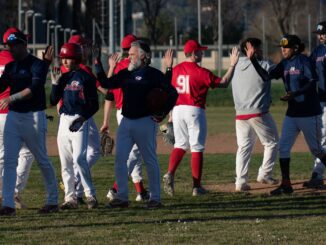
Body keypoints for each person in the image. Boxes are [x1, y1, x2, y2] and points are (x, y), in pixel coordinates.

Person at [95, 40, 178, 208]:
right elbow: (106, 83)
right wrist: (97, 62)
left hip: (145, 122)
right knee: (120, 159)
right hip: (126, 122)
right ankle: (122, 197)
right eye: (128, 54)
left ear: (143, 56)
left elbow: (172, 93)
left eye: (132, 54)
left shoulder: (153, 74)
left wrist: (163, 112)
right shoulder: (126, 73)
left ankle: (155, 198)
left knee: (149, 160)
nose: (128, 56)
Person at [246, 34, 326, 195]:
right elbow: (266, 76)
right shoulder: (284, 63)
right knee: (283, 148)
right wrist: (253, 60)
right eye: (282, 47)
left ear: (295, 48)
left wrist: (294, 94)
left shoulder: (304, 61)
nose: (283, 50)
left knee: (316, 150)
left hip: (309, 113)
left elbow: (312, 82)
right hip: (292, 114)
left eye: (286, 47)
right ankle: (286, 184)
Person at [163, 39, 239, 197]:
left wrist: (170, 116)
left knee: (180, 145)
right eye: (199, 51)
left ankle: (170, 172)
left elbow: (167, 90)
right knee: (196, 147)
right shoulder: (201, 72)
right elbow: (224, 83)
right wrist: (232, 65)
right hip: (194, 110)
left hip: (177, 110)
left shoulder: (175, 70)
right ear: (192, 54)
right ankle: (196, 187)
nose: (202, 53)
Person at [0, 28, 58, 215]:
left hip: (33, 116)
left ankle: (52, 200)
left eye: (14, 45)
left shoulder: (37, 65)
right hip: (14, 117)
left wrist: (11, 98)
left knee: (42, 159)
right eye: (8, 46)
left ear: (23, 44)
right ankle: (8, 204)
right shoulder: (11, 67)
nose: (11, 49)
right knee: (9, 161)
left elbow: (33, 88)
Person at [101, 34, 149, 202]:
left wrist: (106, 121)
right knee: (134, 155)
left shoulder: (118, 67)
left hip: (120, 112)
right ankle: (115, 189)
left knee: (134, 155)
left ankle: (141, 192)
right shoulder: (134, 67)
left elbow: (108, 95)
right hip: (133, 113)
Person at [50, 43, 99, 210]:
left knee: (79, 159)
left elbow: (94, 105)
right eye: (63, 58)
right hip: (64, 119)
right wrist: (55, 84)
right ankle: (70, 198)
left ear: (77, 59)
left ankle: (90, 194)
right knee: (65, 162)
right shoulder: (63, 77)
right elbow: (52, 101)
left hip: (79, 119)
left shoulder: (86, 77)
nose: (64, 61)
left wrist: (83, 118)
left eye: (68, 58)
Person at [230, 38, 279, 192]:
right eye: (258, 48)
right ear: (250, 49)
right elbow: (275, 72)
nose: (261, 51)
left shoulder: (236, 64)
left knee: (243, 147)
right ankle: (264, 174)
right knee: (272, 142)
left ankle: (240, 183)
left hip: (240, 114)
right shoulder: (264, 64)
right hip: (258, 112)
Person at [62, 35, 105, 204]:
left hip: (68, 114)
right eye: (86, 46)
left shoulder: (66, 68)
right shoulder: (83, 71)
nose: (89, 49)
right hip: (81, 115)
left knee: (75, 155)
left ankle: (76, 190)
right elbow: (104, 90)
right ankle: (78, 185)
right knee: (92, 151)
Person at [0, 27, 35, 209]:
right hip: (11, 112)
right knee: (26, 151)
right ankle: (11, 194)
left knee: (4, 156)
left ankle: (9, 194)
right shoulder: (16, 60)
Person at [303, 21, 326, 188]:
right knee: (321, 138)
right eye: (319, 34)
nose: (320, 36)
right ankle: (317, 174)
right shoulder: (317, 51)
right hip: (322, 100)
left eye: (323, 33)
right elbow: (308, 71)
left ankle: (317, 174)